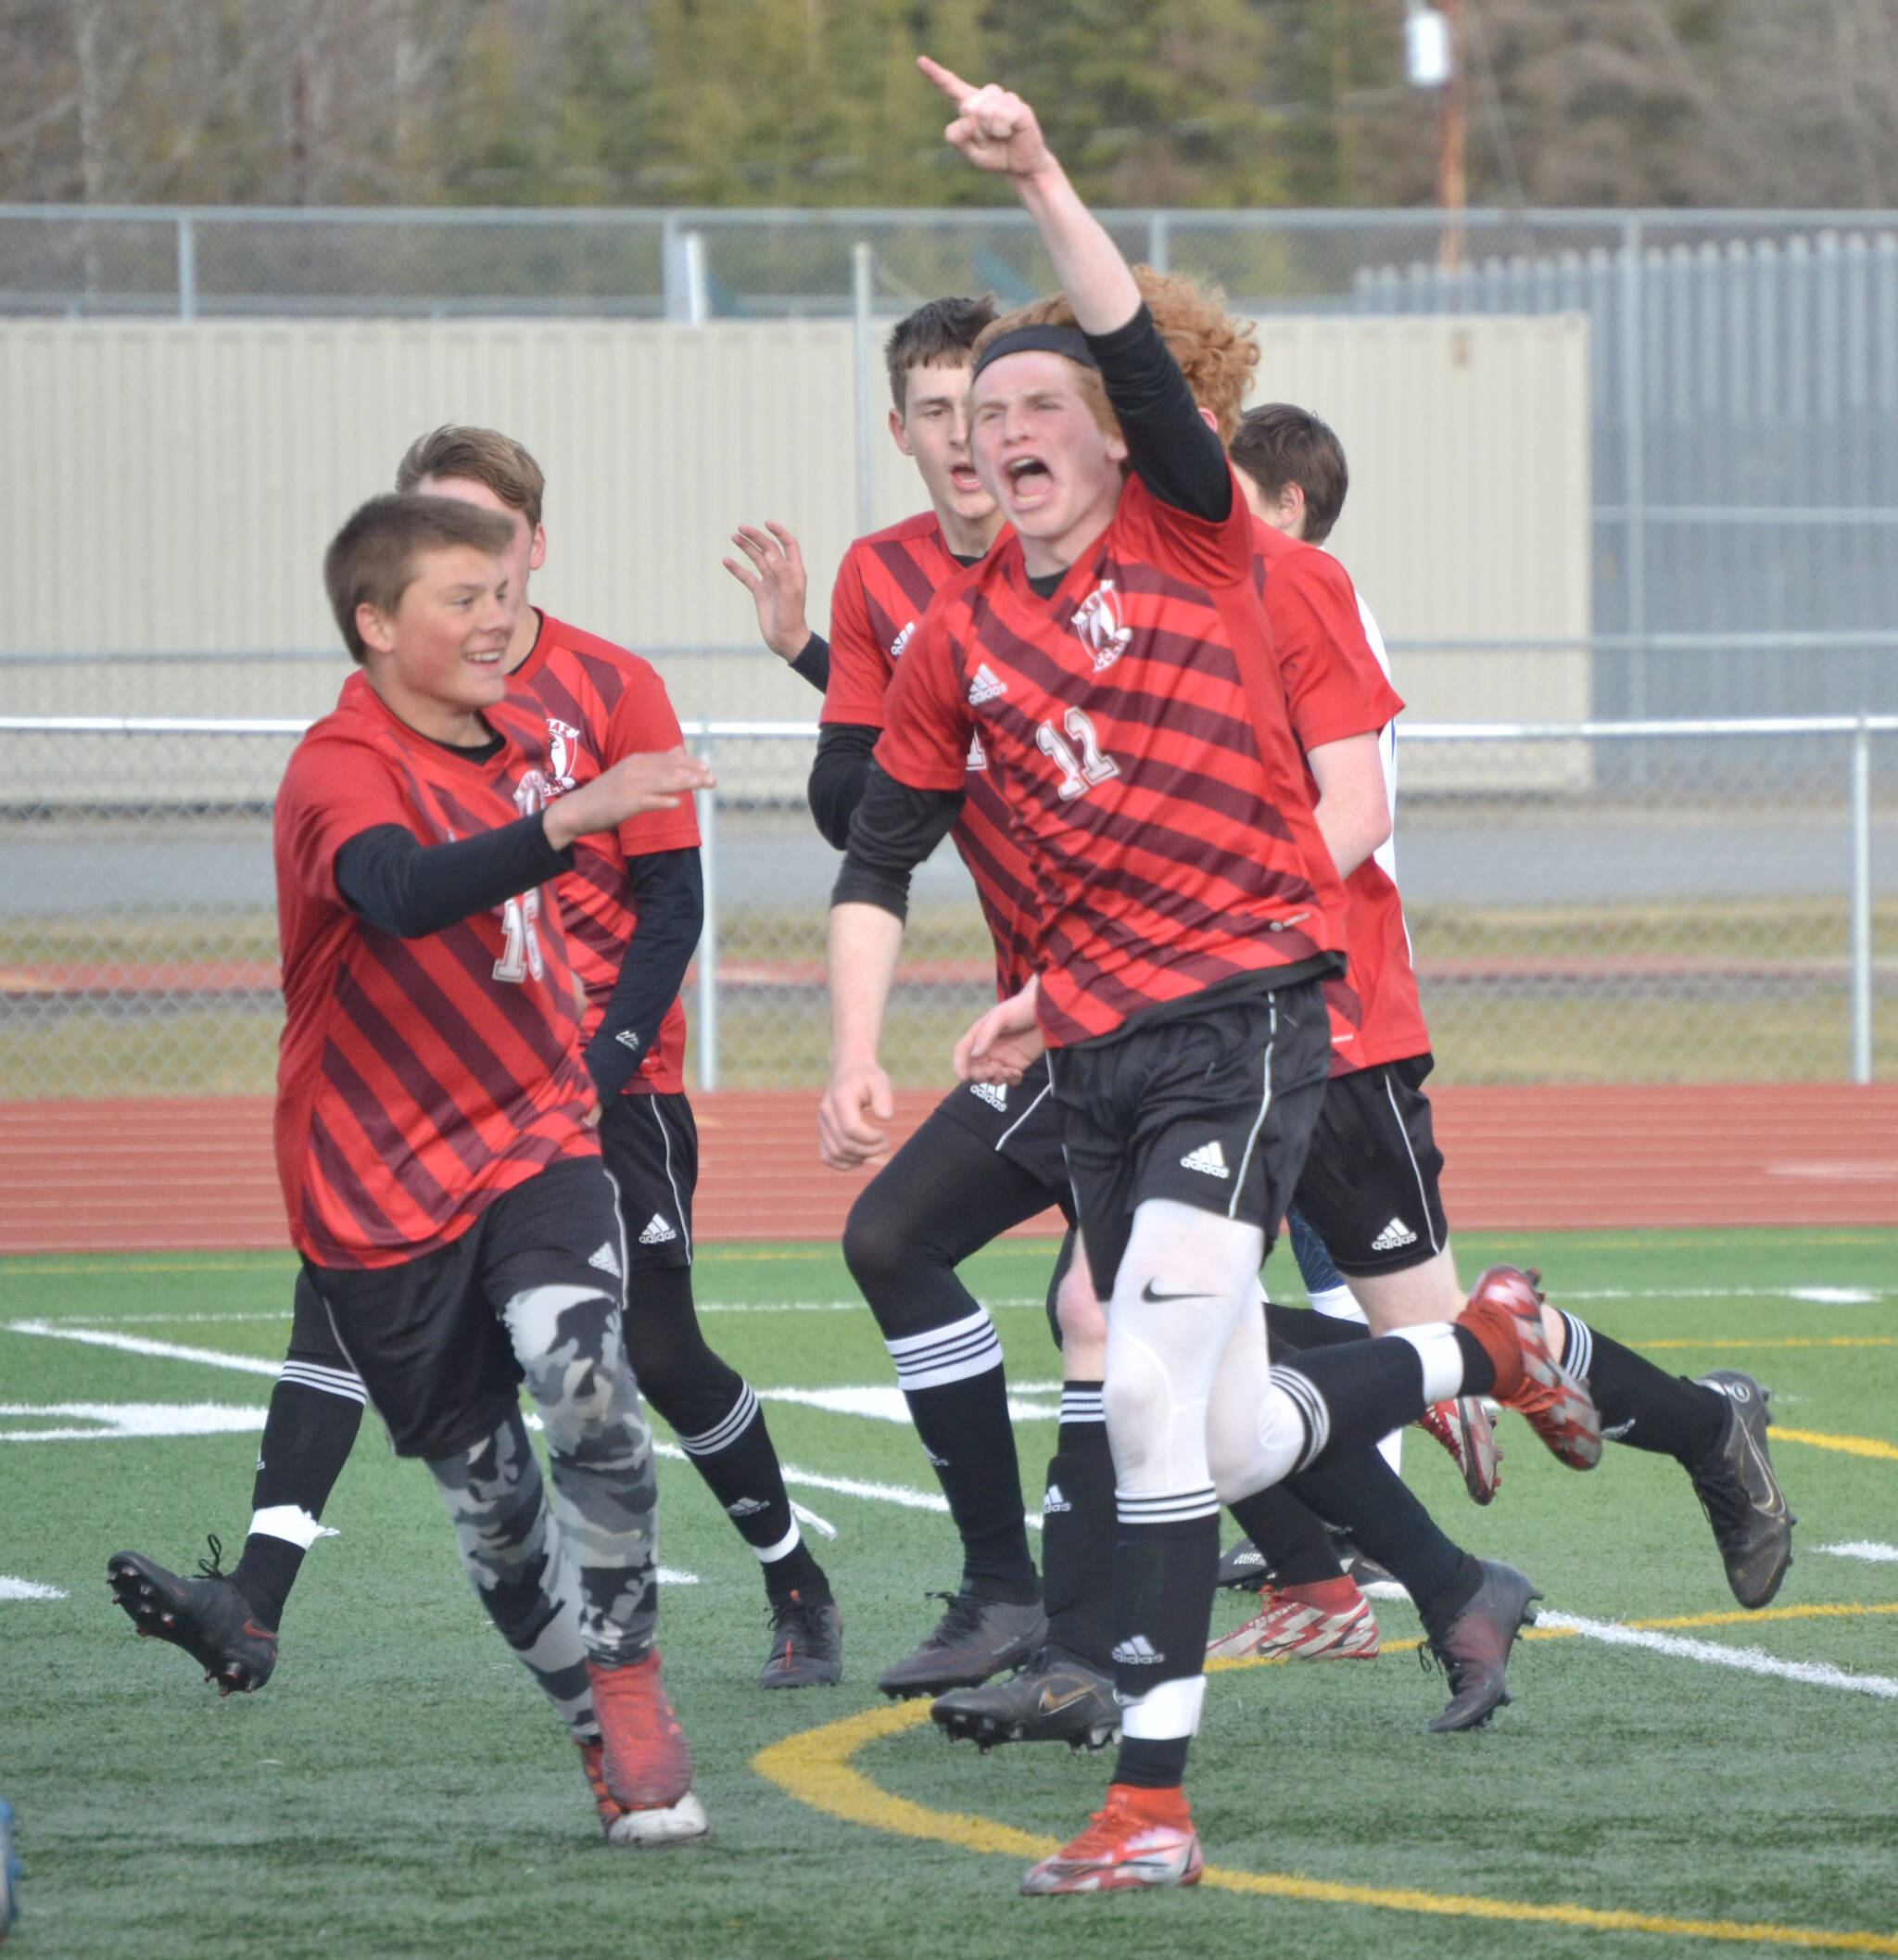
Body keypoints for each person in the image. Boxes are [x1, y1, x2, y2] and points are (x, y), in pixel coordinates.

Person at [820, 57, 1599, 1895]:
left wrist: (1034, 168)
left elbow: (1122, 338)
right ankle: (1492, 1348)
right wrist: (860, 1042)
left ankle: (1147, 1790)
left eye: (1032, 403)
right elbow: (875, 852)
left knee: (1152, 1368)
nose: (993, 430)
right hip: (1087, 1046)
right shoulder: (955, 635)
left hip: (1245, 1019)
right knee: (1217, 1404)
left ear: (1109, 437)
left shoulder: (1191, 528)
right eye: (968, 413)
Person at [110, 430, 841, 1703]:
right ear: (382, 607)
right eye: (437, 549)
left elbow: (673, 902)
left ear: (533, 550)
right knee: (336, 1335)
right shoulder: (386, 739)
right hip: (432, 1114)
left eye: (488, 553)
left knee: (648, 1361)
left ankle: (795, 1582)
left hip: (605, 1085)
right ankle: (259, 1610)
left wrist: (610, 1055)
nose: (477, 589)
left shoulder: (608, 685)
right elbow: (386, 885)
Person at [1221, 403, 1796, 1618]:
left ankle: (1698, 1428)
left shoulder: (1297, 582)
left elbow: (1355, 813)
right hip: (1203, 1023)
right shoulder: (1143, 592)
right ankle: (1345, 1564)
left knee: (1446, 1346)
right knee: (1135, 1310)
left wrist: (1208, 923)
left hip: (1323, 1015)